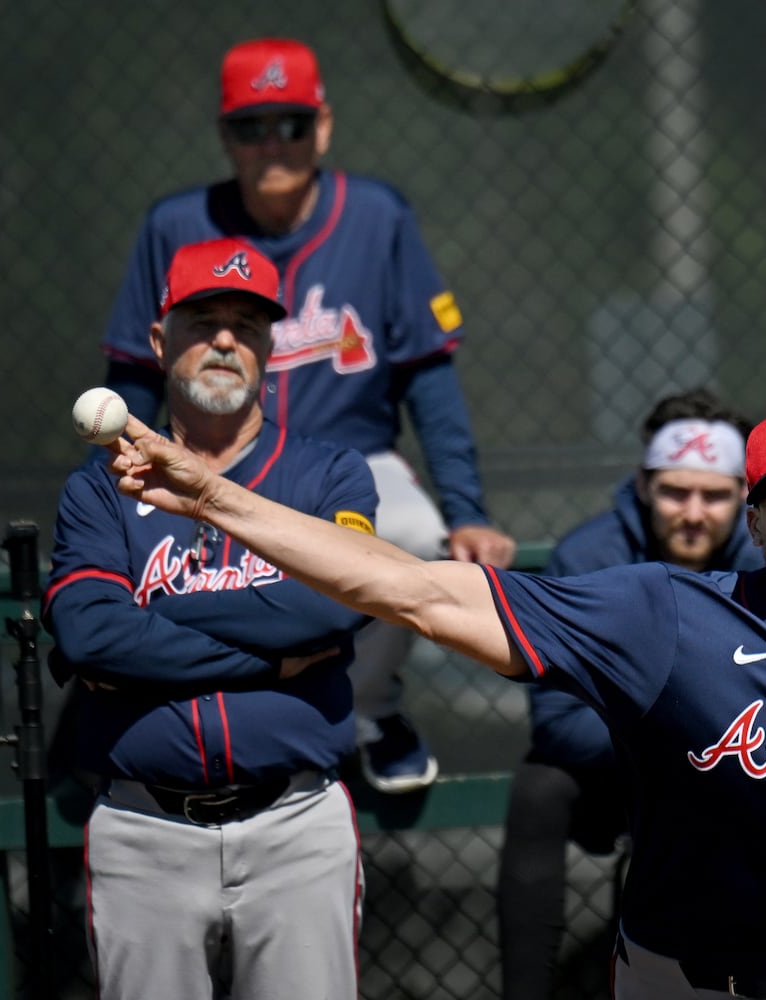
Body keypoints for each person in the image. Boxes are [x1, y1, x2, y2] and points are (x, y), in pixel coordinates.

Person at [107, 401, 766, 1000]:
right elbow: (418, 592)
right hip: (678, 980)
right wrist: (216, 498)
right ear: (752, 522)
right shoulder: (667, 619)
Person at [99, 36, 514, 793]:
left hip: (350, 460)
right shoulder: (175, 225)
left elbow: (429, 374)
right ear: (227, 135)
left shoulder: (378, 217)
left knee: (418, 537)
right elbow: (130, 375)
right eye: (253, 126)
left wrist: (468, 509)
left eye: (290, 123)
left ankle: (367, 713)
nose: (273, 143)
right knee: (129, 565)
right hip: (204, 461)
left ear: (322, 126)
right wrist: (113, 484)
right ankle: (196, 717)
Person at [44, 238, 373, 999]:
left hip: (297, 823)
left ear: (270, 348)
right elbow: (93, 635)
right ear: (160, 343)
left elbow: (334, 603)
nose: (226, 339)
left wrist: (161, 624)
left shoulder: (329, 475)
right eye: (203, 320)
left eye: (247, 324)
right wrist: (270, 658)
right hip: (143, 830)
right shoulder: (101, 493)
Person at [498, 387, 764, 999]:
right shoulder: (586, 558)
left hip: (739, 773)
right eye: (675, 491)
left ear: (744, 496)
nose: (693, 512)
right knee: (541, 784)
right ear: (643, 485)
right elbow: (559, 723)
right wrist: (686, 727)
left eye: (715, 495)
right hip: (622, 772)